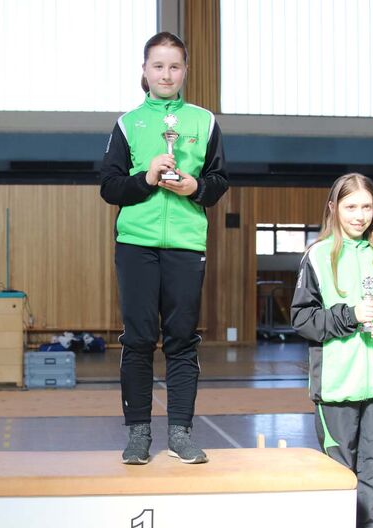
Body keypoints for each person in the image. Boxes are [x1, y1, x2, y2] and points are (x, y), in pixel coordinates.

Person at [100, 32, 228, 465]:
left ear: (185, 70)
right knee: (138, 339)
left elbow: (219, 182)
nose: (166, 74)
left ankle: (180, 434)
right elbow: (109, 186)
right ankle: (138, 434)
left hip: (186, 245)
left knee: (182, 341)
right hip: (136, 244)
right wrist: (147, 178)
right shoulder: (128, 124)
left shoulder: (204, 122)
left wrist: (195, 188)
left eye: (174, 66)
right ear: (145, 70)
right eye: (158, 66)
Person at [291, 173, 373, 528]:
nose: (360, 215)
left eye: (367, 206)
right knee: (340, 468)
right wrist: (349, 315)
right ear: (333, 208)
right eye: (351, 206)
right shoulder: (317, 256)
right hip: (335, 385)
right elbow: (303, 319)